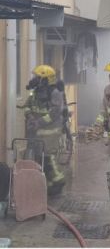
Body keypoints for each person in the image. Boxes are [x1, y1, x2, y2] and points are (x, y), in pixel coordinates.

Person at [23, 65, 66, 194]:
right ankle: (48, 184)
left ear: (46, 79)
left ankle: (59, 182)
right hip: (37, 133)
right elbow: (27, 105)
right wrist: (29, 115)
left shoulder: (55, 93)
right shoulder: (35, 91)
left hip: (50, 132)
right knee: (39, 159)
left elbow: (54, 113)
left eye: (38, 77)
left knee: (48, 158)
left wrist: (39, 122)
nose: (35, 79)